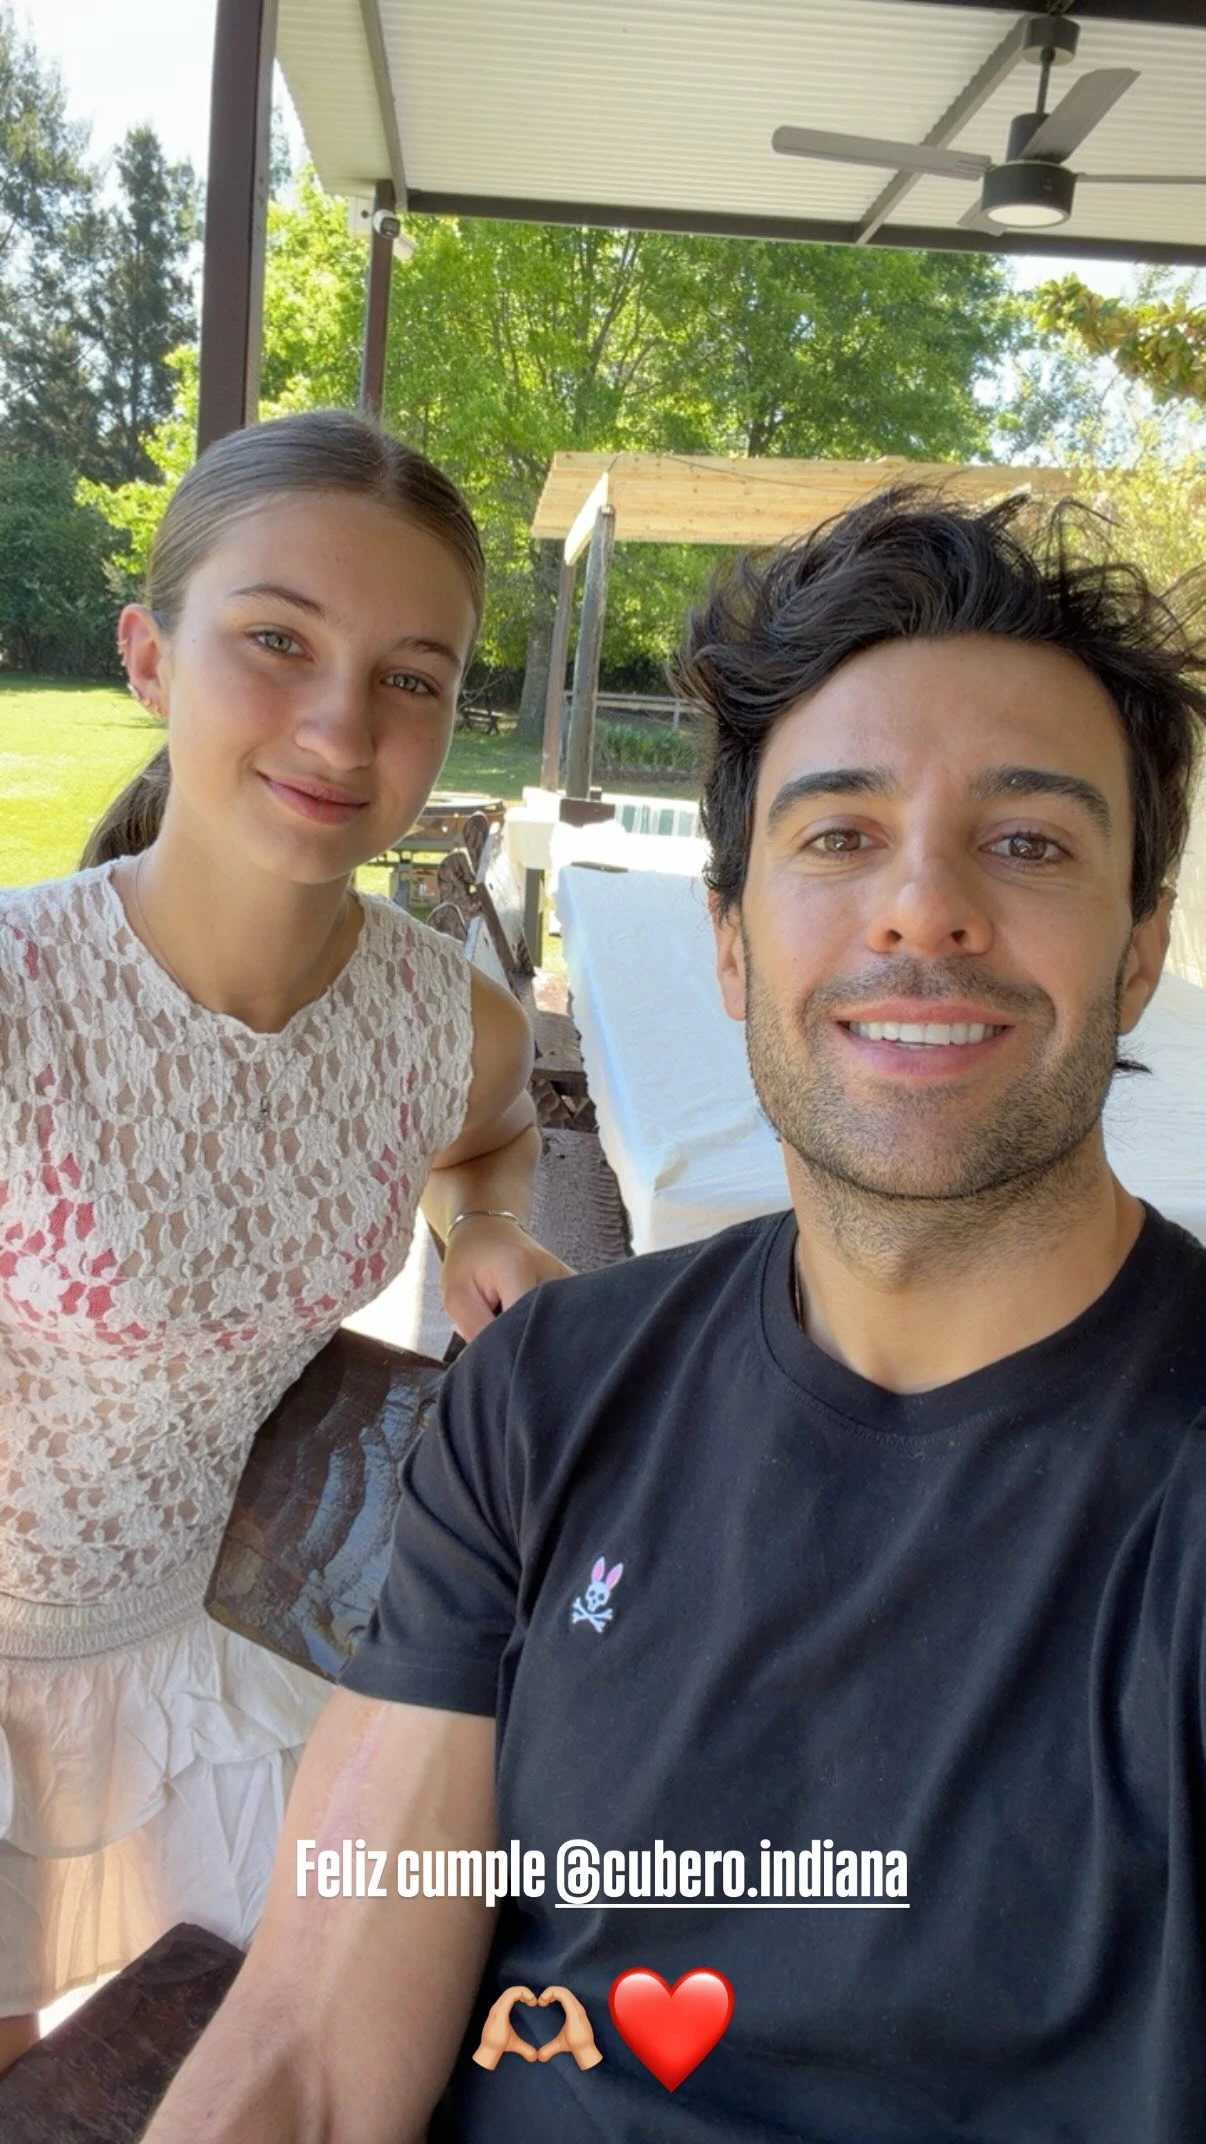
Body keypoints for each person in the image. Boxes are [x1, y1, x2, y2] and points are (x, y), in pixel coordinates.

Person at [143, 488, 1206, 2144]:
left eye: (1027, 843)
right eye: (837, 836)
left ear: (1139, 951)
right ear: (728, 942)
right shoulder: (549, 1393)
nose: (920, 909)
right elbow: (309, 2040)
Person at [0, 410, 571, 2069]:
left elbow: (493, 1130)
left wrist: (483, 1222)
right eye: (276, 640)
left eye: (411, 677)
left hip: (212, 1640)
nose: (341, 724)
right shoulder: (23, 1001)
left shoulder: (440, 1018)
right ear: (147, 657)